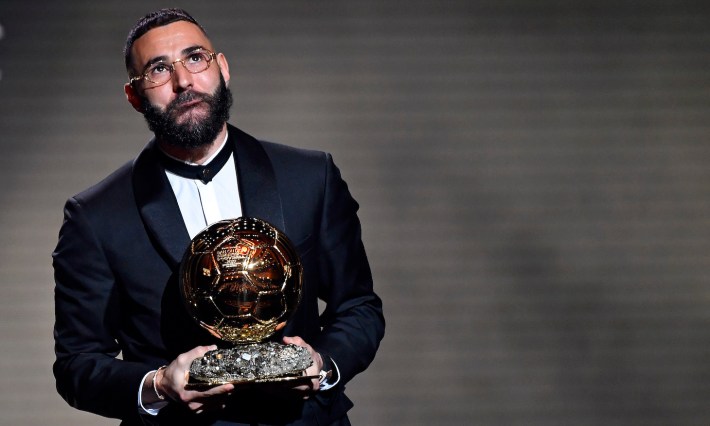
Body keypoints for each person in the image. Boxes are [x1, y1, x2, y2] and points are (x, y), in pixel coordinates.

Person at [52, 8, 384, 426]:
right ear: (134, 97)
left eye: (195, 58)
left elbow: (359, 306)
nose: (183, 81)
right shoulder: (95, 217)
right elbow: (77, 365)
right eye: (158, 69)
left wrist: (322, 364)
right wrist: (158, 384)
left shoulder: (309, 177)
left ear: (222, 68)